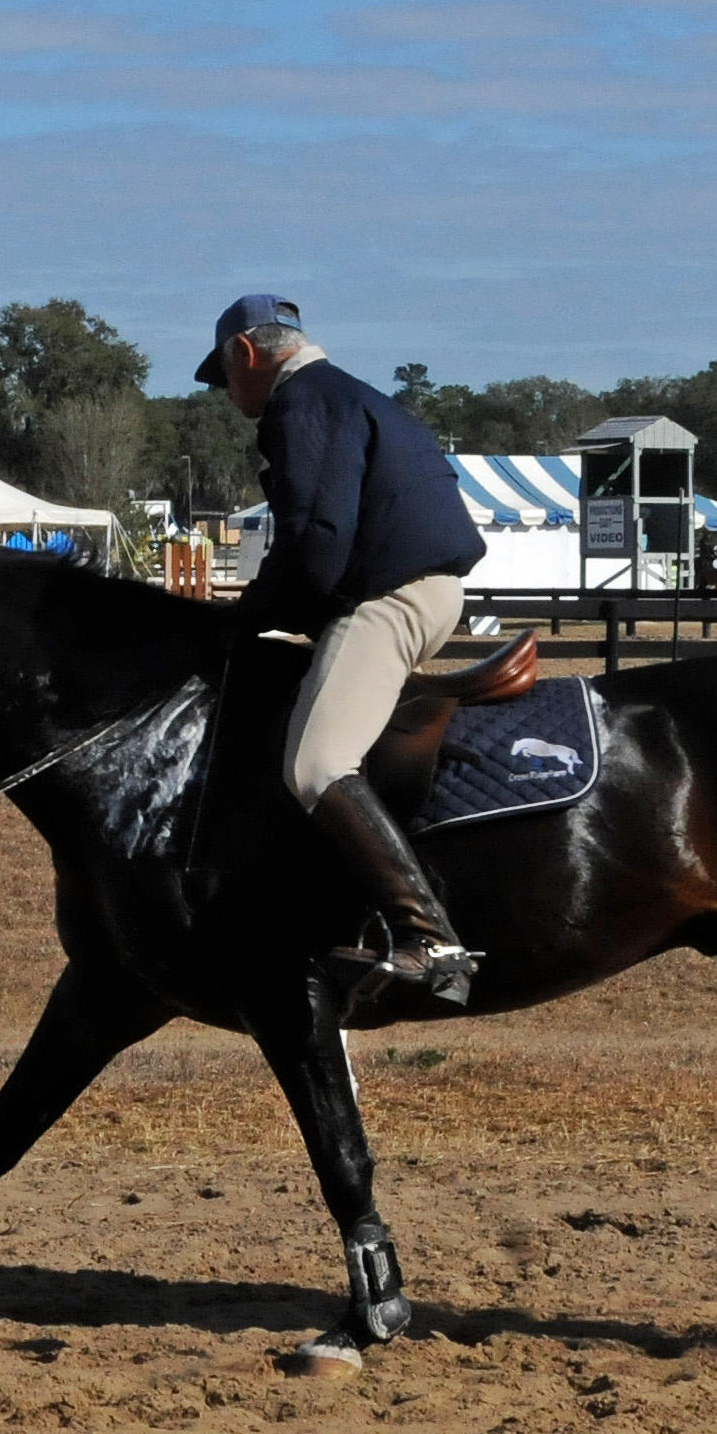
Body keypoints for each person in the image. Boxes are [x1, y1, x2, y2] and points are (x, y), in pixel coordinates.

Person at [201, 294, 490, 1007]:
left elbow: (317, 543)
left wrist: (243, 620)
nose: (228, 394)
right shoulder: (358, 397)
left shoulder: (300, 404)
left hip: (389, 599)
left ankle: (432, 940)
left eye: (224, 375)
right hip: (421, 588)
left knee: (316, 764)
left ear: (246, 354)